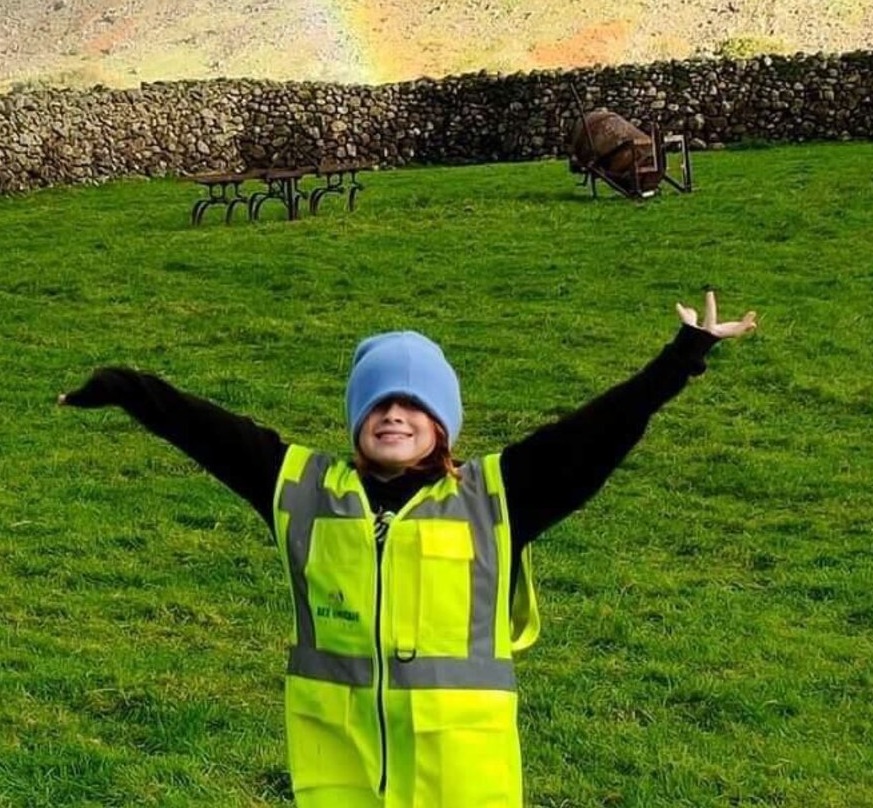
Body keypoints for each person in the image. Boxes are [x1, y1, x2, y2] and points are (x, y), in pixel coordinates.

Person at [58, 291, 757, 808]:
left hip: (463, 783)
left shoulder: (496, 496)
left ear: (443, 426)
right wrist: (127, 389)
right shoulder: (302, 491)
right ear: (357, 421)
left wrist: (680, 359)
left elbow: (596, 433)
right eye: (378, 403)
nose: (395, 412)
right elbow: (207, 430)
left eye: (416, 404)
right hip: (344, 779)